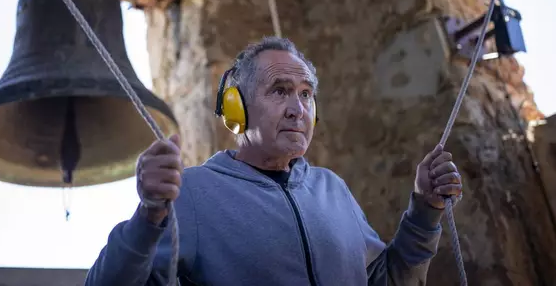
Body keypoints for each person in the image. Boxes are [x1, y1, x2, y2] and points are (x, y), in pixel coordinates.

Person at [85, 37, 463, 286]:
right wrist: (149, 215)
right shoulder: (193, 193)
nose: (298, 109)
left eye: (306, 94)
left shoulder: (333, 188)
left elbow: (390, 282)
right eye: (280, 91)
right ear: (237, 109)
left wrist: (424, 210)